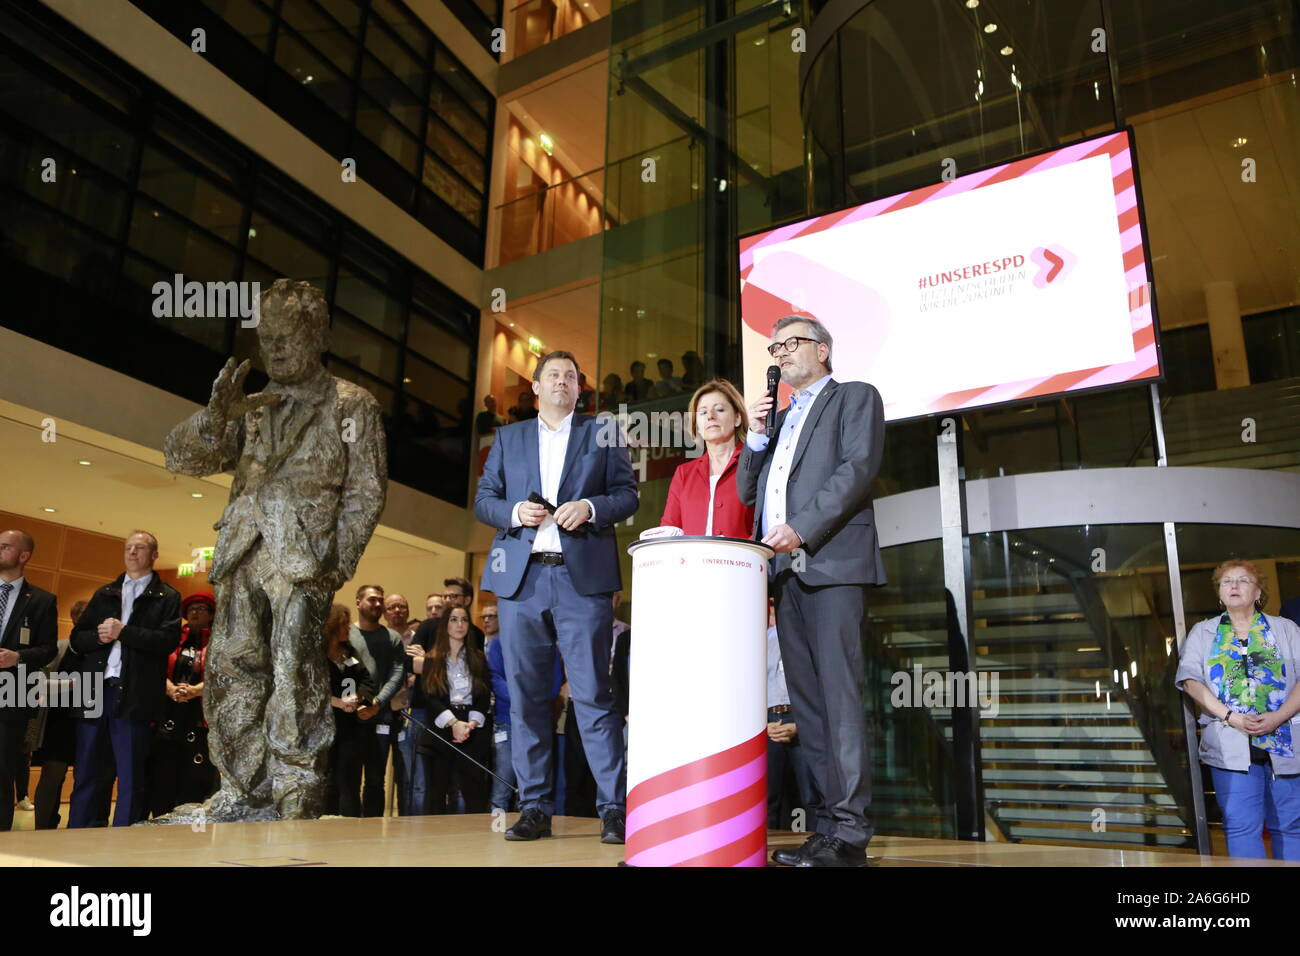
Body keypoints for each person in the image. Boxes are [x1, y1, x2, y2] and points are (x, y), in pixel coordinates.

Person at [163, 279, 387, 821]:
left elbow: (366, 493)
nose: (276, 349)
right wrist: (216, 418)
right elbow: (181, 460)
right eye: (267, 338)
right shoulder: (251, 404)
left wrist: (334, 566)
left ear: (318, 334)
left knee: (294, 673)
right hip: (243, 549)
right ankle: (241, 789)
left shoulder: (352, 403)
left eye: (288, 336)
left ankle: (294, 793)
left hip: (303, 559)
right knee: (231, 669)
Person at [474, 349, 639, 843]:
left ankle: (613, 809)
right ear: (538, 387)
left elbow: (627, 494)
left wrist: (589, 506)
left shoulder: (600, 432)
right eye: (553, 375)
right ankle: (535, 807)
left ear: (579, 388)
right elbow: (484, 499)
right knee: (526, 700)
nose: (562, 382)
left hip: (580, 580)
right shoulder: (509, 437)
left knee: (593, 696)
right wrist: (512, 512)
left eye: (571, 376)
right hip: (521, 583)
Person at [739, 315, 886, 867]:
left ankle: (850, 831)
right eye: (773, 346)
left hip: (833, 563)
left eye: (790, 343)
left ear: (822, 350)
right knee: (811, 707)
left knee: (839, 699)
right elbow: (748, 489)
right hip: (785, 574)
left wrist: (803, 526)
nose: (779, 353)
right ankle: (826, 829)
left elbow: (857, 468)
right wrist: (754, 435)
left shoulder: (854, 397)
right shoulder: (777, 422)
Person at [1176, 560, 1300, 860]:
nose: (1234, 586)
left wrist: (1278, 716)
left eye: (1243, 580)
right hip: (1229, 742)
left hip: (1285, 741)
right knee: (1242, 827)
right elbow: (1190, 680)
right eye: (1226, 581)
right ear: (1219, 593)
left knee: (1291, 825)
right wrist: (1230, 716)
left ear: (1258, 592)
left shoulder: (1286, 628)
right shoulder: (1203, 632)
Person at [69, 530, 181, 828]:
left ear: (154, 555)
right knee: (87, 770)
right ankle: (77, 833)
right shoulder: (105, 592)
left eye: (140, 548)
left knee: (130, 774)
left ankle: (123, 841)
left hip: (134, 692)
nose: (132, 553)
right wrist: (99, 635)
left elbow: (167, 641)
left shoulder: (167, 596)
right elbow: (78, 640)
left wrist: (124, 632)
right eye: (128, 548)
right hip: (94, 689)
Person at [0, 530, 58, 831]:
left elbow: (48, 649)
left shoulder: (42, 601)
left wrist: (18, 657)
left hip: (11, 697)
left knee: (1, 767)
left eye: (5, 546)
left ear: (23, 556)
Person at [148, 591, 218, 817]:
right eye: (192, 609)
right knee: (164, 765)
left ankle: (191, 817)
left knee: (196, 769)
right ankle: (160, 813)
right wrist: (169, 688)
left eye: (203, 609)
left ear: (211, 615)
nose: (197, 612)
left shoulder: (218, 640)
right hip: (169, 708)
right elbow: (154, 666)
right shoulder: (174, 637)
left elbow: (224, 675)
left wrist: (196, 690)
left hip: (200, 713)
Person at [415, 607, 490, 814]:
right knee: (436, 793)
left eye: (464, 620)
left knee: (474, 792)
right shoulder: (432, 659)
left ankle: (475, 842)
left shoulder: (478, 658)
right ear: (445, 625)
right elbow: (429, 696)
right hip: (441, 727)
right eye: (454, 620)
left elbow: (483, 696)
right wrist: (454, 723)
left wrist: (470, 724)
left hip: (471, 729)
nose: (460, 624)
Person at [660, 379, 754, 537]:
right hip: (692, 561)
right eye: (703, 412)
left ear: (737, 418)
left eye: (719, 409)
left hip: (743, 560)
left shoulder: (753, 464)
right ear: (697, 424)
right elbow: (669, 530)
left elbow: (764, 524)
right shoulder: (684, 473)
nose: (711, 416)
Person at [349, 586, 405, 817]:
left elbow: (398, 673)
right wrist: (354, 704)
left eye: (381, 600)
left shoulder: (392, 637)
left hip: (380, 717)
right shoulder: (347, 634)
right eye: (372, 600)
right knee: (349, 776)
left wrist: (377, 703)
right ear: (358, 602)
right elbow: (343, 670)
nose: (377, 605)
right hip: (349, 717)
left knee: (375, 779)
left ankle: (371, 833)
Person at [32, 599, 87, 830]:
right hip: (59, 721)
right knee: (52, 777)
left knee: (85, 779)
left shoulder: (103, 649)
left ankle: (79, 825)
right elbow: (38, 683)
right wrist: (71, 684)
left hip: (89, 721)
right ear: (74, 618)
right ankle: (43, 827)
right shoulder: (60, 647)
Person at [323, 605, 375, 818]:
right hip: (324, 727)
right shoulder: (316, 656)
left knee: (350, 780)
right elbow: (307, 693)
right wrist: (336, 702)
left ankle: (352, 828)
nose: (348, 628)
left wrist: (359, 697)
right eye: (343, 624)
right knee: (328, 782)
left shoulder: (349, 654)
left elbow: (365, 679)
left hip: (350, 727)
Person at [766, 601, 814, 830]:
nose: (774, 610)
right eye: (771, 605)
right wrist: (763, 724)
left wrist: (799, 724)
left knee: (812, 795)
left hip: (801, 719)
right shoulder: (759, 641)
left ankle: (819, 847)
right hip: (768, 722)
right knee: (768, 796)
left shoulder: (808, 638)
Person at [440, 578, 485, 650]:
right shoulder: (430, 626)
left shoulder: (477, 634)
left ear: (467, 600)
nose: (447, 600)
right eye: (445, 597)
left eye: (453, 596)